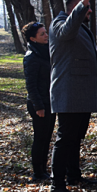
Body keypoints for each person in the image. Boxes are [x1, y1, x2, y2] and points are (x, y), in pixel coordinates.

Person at [48, 0, 97, 192]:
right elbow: (65, 32)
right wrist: (84, 3)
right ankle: (57, 184)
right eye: (86, 9)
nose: (89, 12)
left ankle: (73, 175)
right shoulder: (59, 23)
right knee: (65, 138)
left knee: (75, 138)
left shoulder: (78, 25)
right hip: (69, 92)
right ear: (75, 7)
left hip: (81, 93)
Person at [22, 21, 54, 183]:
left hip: (50, 102)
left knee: (47, 137)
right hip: (39, 104)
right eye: (42, 34)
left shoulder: (45, 52)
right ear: (33, 39)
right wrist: (39, 106)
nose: (46, 36)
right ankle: (37, 172)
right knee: (40, 138)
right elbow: (31, 85)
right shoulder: (31, 57)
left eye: (45, 33)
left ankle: (43, 169)